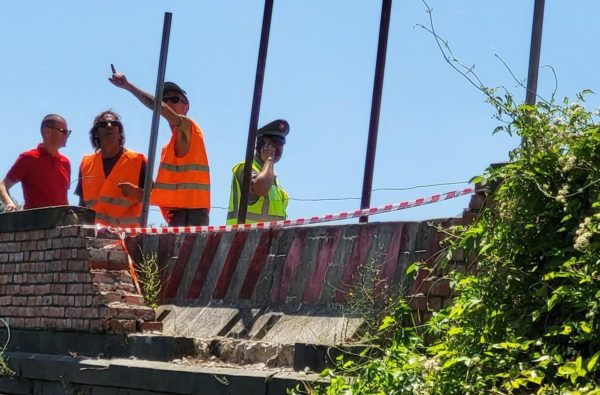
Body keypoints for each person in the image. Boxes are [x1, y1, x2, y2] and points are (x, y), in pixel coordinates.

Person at [109, 66, 210, 226]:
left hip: (192, 217)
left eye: (175, 99)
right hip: (177, 217)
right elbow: (166, 194)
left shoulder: (190, 129)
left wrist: (129, 86)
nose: (169, 103)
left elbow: (160, 108)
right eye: (166, 100)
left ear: (186, 107)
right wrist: (139, 193)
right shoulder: (167, 149)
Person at [75, 110, 147, 228]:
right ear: (96, 133)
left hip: (127, 240)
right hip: (94, 238)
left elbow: (155, 196)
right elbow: (82, 205)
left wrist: (137, 192)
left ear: (119, 132)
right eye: (103, 125)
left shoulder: (137, 161)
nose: (109, 126)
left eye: (114, 124)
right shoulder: (86, 164)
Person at [0, 114, 71, 211]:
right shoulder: (28, 158)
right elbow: (2, 186)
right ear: (47, 132)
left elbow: (64, 199)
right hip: (36, 224)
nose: (67, 135)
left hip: (60, 224)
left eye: (68, 132)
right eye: (63, 131)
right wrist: (9, 203)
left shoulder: (65, 162)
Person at [227, 120, 289, 224]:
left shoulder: (275, 184)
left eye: (281, 143)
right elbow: (261, 188)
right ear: (260, 143)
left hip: (269, 240)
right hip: (244, 239)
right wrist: (269, 159)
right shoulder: (244, 167)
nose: (278, 147)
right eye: (273, 141)